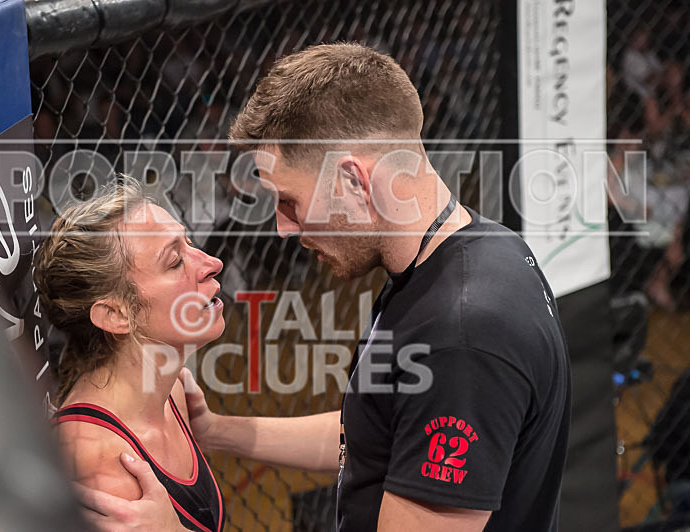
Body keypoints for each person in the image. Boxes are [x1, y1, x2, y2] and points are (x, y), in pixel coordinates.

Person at [82, 42, 571, 531]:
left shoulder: (461, 335)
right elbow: (379, 435)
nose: (282, 227)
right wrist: (220, 432)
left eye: (289, 201)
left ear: (353, 182)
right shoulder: (475, 251)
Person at [33, 178, 226, 532]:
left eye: (190, 242)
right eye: (174, 262)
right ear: (117, 315)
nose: (211, 262)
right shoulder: (100, 465)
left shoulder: (173, 394)